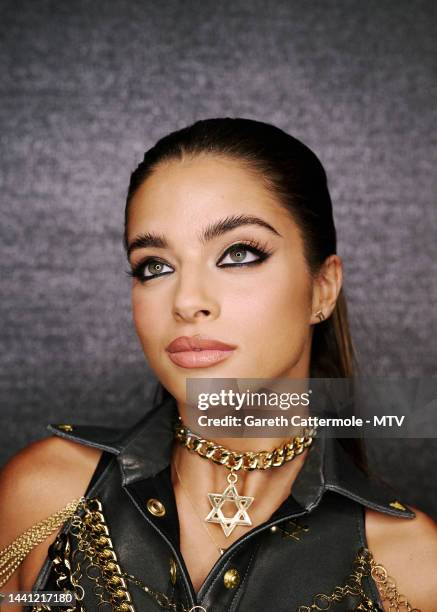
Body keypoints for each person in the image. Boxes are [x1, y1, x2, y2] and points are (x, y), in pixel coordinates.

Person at [1, 118, 436, 611]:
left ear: (322, 288)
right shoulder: (47, 496)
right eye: (155, 266)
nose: (187, 301)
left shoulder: (411, 569)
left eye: (238, 254)